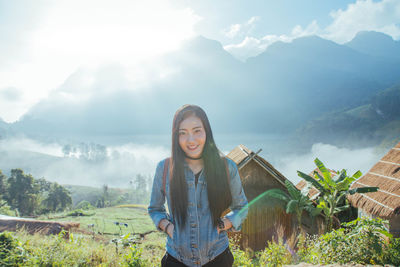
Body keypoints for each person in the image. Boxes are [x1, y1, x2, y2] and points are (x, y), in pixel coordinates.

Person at [148, 104, 248, 267]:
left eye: (197, 131)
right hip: (176, 260)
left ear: (206, 132)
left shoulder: (227, 167)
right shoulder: (165, 168)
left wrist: (224, 224)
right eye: (183, 133)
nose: (191, 140)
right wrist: (169, 228)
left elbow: (241, 207)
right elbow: (155, 208)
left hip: (218, 258)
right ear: (176, 137)